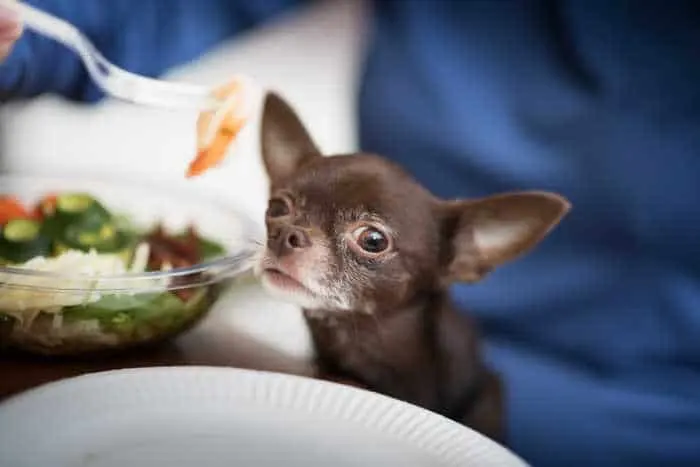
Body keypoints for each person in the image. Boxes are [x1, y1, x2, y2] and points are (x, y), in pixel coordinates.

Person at [2, 1, 699, 466]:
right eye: (282, 213)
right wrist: (25, 28)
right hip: (346, 375)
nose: (289, 235)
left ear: (472, 253)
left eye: (368, 238)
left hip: (637, 421)